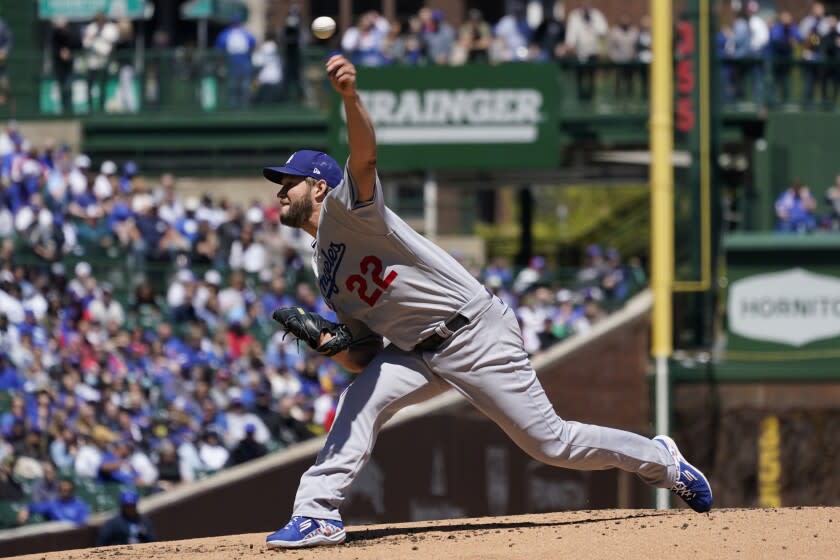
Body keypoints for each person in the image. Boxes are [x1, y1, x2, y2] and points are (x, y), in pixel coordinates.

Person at [260, 54, 712, 549]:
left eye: (289, 181)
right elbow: (365, 354)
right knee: (358, 400)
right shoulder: (322, 264)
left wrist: (349, 98)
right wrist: (330, 344)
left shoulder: (348, 211)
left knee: (550, 443)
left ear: (319, 186)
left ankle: (661, 459)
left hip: (473, 332)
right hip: (416, 350)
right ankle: (317, 512)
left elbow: (364, 157)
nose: (281, 190)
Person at [17, 477, 89, 525]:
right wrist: (26, 509)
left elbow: (83, 522)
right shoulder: (53, 505)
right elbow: (34, 507)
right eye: (62, 489)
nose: (64, 492)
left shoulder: (80, 505)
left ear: (72, 490)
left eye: (67, 490)